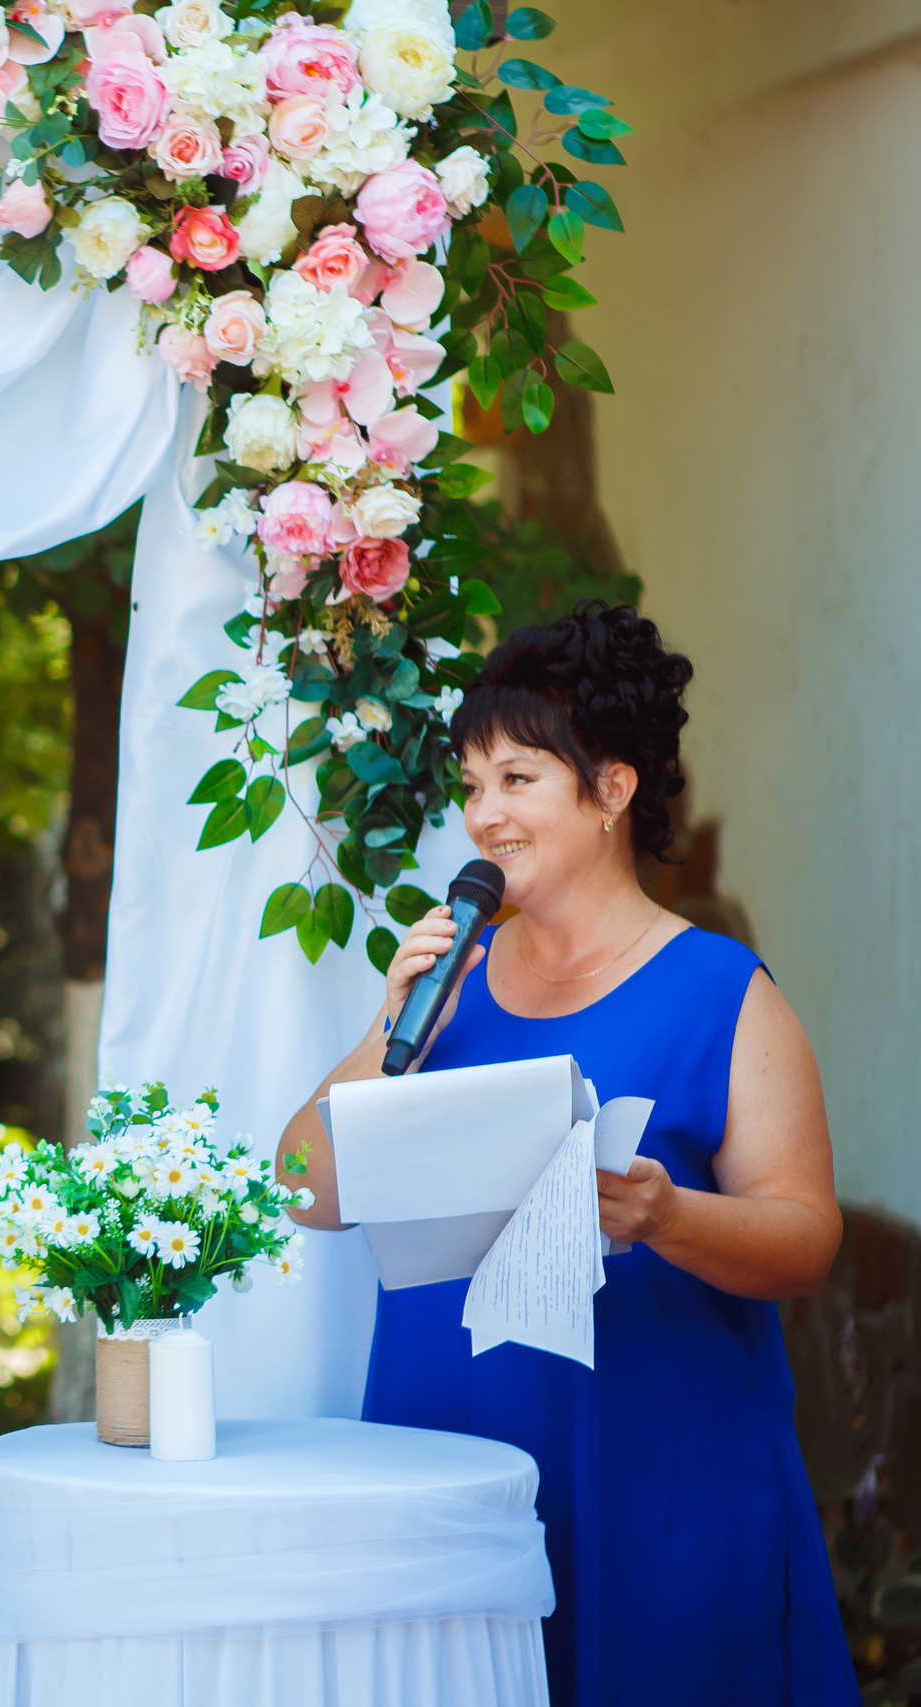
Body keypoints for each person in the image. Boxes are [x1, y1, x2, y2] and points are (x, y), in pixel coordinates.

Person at [274, 604, 857, 1706]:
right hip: (445, 1466)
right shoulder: (443, 987)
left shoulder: (722, 992)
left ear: (613, 791)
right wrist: (382, 1035)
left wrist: (665, 1218)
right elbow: (302, 1188)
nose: (481, 815)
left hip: (654, 1470)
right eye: (471, 783)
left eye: (517, 780)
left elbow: (804, 1239)